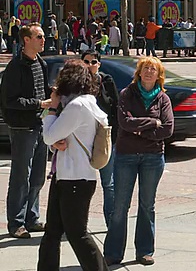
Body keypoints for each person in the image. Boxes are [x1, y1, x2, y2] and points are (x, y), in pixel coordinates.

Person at [37, 59, 110, 271]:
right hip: (69, 176)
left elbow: (49, 136)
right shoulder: (87, 102)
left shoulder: (77, 106)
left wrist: (51, 109)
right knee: (52, 231)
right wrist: (56, 143)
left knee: (77, 233)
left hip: (75, 179)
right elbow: (60, 140)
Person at [104, 57, 174, 266]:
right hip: (126, 156)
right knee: (120, 205)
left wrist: (139, 130)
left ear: (159, 74)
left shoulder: (163, 99)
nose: (149, 72)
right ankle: (114, 252)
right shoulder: (126, 94)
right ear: (139, 72)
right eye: (146, 68)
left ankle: (144, 251)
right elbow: (124, 122)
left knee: (147, 205)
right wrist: (153, 122)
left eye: (153, 69)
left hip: (153, 157)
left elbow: (168, 129)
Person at [1, 23, 51, 238]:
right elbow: (9, 101)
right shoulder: (15, 66)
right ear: (26, 40)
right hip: (22, 127)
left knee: (38, 175)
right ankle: (16, 222)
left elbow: (44, 89)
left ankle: (32, 217)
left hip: (40, 125)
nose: (43, 40)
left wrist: (53, 93)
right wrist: (39, 103)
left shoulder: (41, 62)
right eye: (38, 36)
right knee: (21, 176)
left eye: (43, 36)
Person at [81, 50, 118, 227]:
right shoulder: (76, 84)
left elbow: (114, 107)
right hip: (82, 138)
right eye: (86, 62)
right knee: (81, 182)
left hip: (103, 137)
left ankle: (111, 222)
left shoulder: (106, 81)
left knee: (108, 183)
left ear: (99, 64)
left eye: (93, 62)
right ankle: (78, 223)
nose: (89, 65)